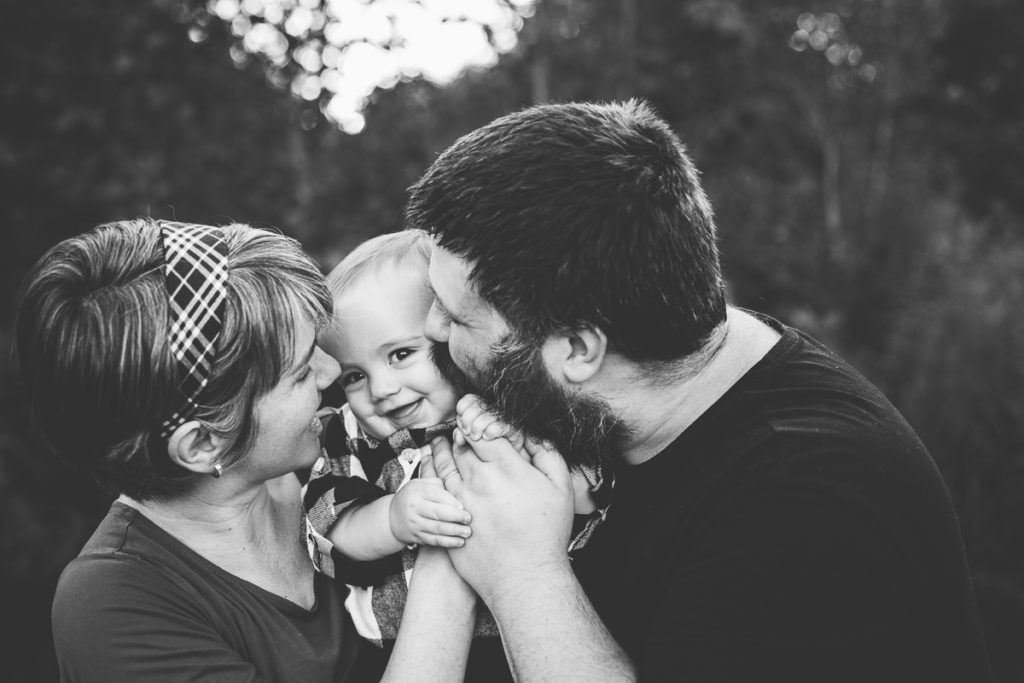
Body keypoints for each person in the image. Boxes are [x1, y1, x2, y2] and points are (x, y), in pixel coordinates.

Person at [404, 100, 994, 682]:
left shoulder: (810, 501)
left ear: (579, 351)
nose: (431, 327)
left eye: (457, 318)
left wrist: (522, 574)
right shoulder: (630, 380)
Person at [16, 219, 476, 682]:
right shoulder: (117, 603)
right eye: (300, 372)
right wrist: (454, 544)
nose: (331, 371)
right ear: (201, 443)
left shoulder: (345, 451)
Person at [305, 229, 608, 678]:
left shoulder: (514, 412)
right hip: (399, 650)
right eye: (353, 376)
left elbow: (589, 498)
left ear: (448, 336)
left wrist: (524, 448)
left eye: (401, 354)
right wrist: (392, 518)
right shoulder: (351, 438)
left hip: (526, 641)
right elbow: (328, 528)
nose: (380, 390)